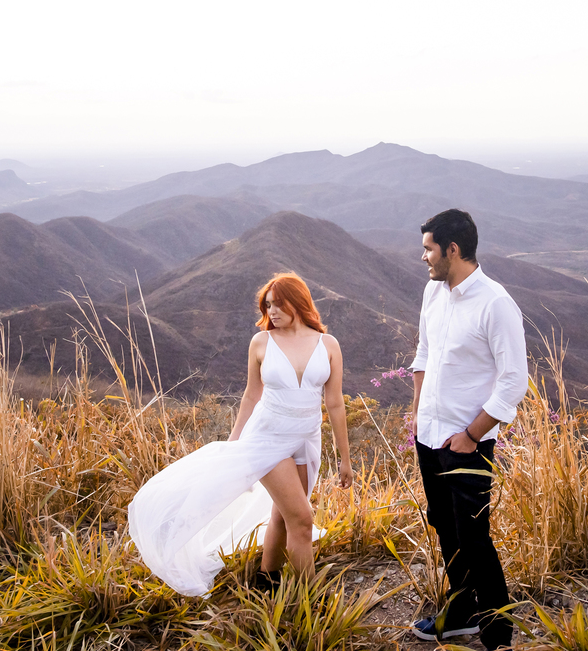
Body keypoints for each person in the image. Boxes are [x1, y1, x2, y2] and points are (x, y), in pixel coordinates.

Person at [127, 272, 353, 597]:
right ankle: (312, 603)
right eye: (268, 305)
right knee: (302, 520)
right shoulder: (262, 342)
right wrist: (234, 444)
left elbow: (335, 403)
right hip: (267, 439)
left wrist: (345, 459)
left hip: (307, 439)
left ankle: (266, 580)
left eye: (278, 304)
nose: (271, 312)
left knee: (282, 513)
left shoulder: (328, 345)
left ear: (299, 302)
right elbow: (251, 394)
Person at [408, 209, 528, 651]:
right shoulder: (432, 294)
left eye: (428, 249)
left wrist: (473, 434)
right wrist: (417, 413)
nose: (424, 257)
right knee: (444, 526)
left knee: (474, 537)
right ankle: (460, 615)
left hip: (466, 442)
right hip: (429, 434)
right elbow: (423, 353)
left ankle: (498, 636)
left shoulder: (496, 303)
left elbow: (514, 380)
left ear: (452, 250)